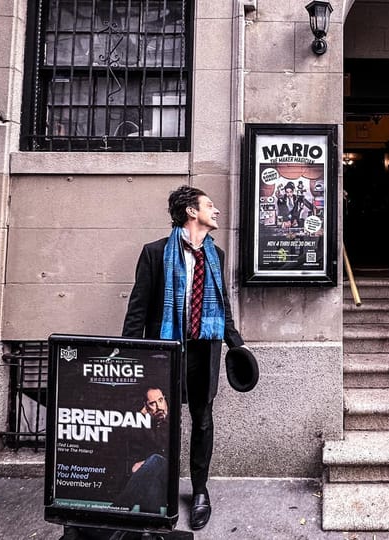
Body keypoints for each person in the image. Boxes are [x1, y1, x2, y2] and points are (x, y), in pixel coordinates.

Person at [122, 185, 247, 530]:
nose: (216, 210)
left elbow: (222, 308)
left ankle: (200, 491)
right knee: (165, 424)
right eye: (210, 205)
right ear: (191, 212)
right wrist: (130, 357)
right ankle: (162, 489)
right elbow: (137, 311)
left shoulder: (215, 255)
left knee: (202, 419)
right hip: (166, 351)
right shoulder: (155, 253)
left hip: (204, 351)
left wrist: (237, 344)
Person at [113, 386, 170, 514]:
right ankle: (148, 529)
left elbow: (162, 449)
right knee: (151, 487)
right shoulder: (148, 421)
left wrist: (164, 420)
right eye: (153, 404)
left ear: (165, 400)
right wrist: (141, 418)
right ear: (146, 406)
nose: (159, 406)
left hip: (169, 472)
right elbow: (130, 443)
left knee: (156, 460)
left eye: (161, 400)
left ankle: (116, 511)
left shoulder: (171, 419)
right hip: (154, 475)